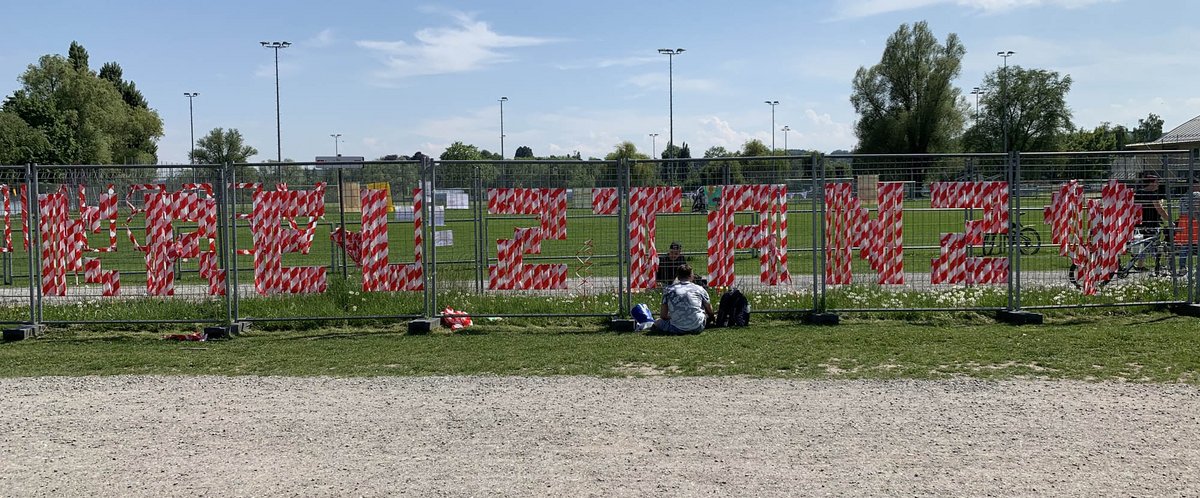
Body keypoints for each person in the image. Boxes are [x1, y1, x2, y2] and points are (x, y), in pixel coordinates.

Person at [651, 264, 715, 335]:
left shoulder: (668, 290)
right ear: (691, 276)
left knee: (657, 322)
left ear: (677, 277)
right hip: (698, 327)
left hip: (675, 328)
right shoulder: (700, 289)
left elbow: (663, 315)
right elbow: (709, 311)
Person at [1134, 172, 1169, 272]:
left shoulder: (1138, 193)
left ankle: (1140, 265)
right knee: (1153, 245)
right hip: (1151, 223)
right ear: (1152, 183)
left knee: (1145, 244)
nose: (1158, 184)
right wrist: (1170, 220)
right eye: (1157, 182)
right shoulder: (1153, 195)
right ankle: (1158, 265)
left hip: (1139, 223)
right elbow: (1160, 210)